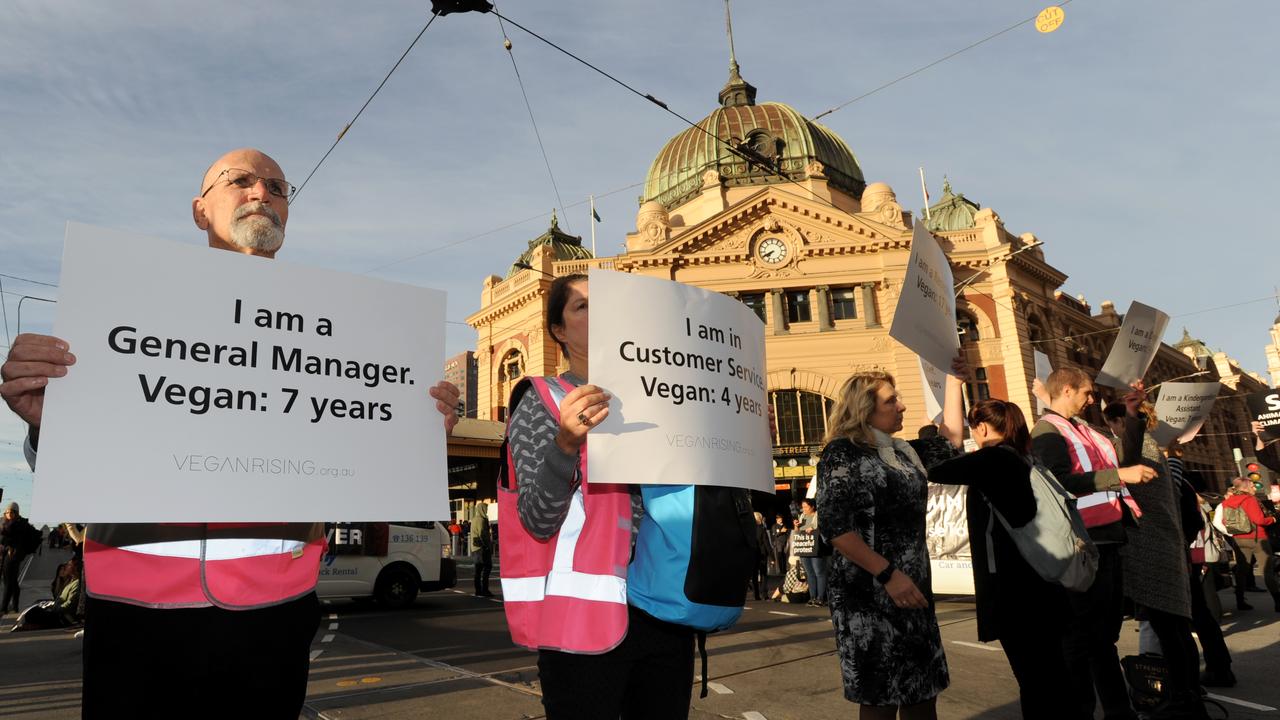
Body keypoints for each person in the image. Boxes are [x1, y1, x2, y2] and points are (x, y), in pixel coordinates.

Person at [0, 148, 462, 717]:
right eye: (240, 180)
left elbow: (355, 471)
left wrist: (414, 429)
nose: (261, 192)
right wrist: (49, 426)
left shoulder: (341, 336)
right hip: (134, 609)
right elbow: (90, 467)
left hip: (274, 614)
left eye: (277, 186)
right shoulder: (127, 308)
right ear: (199, 211)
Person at [815, 357, 965, 720]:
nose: (902, 406)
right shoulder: (842, 452)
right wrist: (887, 575)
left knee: (922, 691)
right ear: (865, 409)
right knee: (881, 698)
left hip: (913, 591)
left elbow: (953, 440)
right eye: (890, 400)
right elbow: (836, 528)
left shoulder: (903, 450)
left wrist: (954, 382)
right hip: (869, 595)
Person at [927, 398, 1083, 720]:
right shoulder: (1027, 459)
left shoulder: (992, 460)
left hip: (1016, 596)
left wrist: (942, 434)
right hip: (1048, 585)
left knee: (1037, 685)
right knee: (1055, 678)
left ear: (982, 427)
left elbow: (934, 467)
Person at [1030, 367, 1153, 720]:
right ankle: (1088, 710)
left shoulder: (1086, 430)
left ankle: (1118, 711)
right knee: (1084, 640)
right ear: (1067, 390)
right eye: (1086, 393)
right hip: (1083, 545)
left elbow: (1124, 459)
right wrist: (1118, 477)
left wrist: (1132, 414)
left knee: (1102, 638)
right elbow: (1057, 481)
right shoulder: (1047, 431)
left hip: (1107, 539)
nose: (1091, 399)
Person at [1102, 403, 1206, 719]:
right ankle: (1189, 696)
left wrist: (1130, 418)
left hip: (1152, 551)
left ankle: (1183, 699)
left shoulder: (1138, 446)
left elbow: (1123, 459)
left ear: (1119, 423)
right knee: (1176, 629)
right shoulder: (1154, 447)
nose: (1111, 433)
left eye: (1112, 425)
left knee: (1169, 631)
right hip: (1166, 549)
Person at [1222, 474, 1278, 612]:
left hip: (1239, 539)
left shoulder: (1227, 502)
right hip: (1257, 538)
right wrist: (1272, 519)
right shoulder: (1250, 500)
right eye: (1252, 485)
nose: (1254, 487)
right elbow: (1259, 520)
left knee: (1242, 571)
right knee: (1267, 571)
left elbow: (1225, 521)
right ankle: (1278, 602)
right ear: (1246, 487)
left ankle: (1240, 601)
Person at [14, 555, 84, 631]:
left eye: (69, 565)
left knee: (33, 613)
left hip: (64, 617)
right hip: (57, 610)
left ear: (75, 568)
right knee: (36, 607)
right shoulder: (70, 580)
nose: (66, 567)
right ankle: (34, 624)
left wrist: (54, 609)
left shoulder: (76, 584)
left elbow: (69, 604)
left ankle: (33, 625)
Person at [1, 502, 36, 615]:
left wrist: (8, 545)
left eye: (12, 512)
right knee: (13, 581)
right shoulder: (17, 523)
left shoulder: (15, 524)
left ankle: (3, 607)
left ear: (16, 513)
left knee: (8, 582)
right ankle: (15, 605)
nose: (9, 514)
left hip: (13, 555)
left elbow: (11, 538)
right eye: (7, 512)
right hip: (13, 555)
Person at [797, 499, 827, 606]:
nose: (804, 509)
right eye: (803, 507)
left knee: (818, 572)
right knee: (809, 573)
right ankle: (812, 597)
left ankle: (820, 598)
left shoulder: (818, 515)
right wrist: (796, 526)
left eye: (806, 507)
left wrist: (813, 528)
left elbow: (822, 527)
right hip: (804, 547)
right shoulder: (802, 516)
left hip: (816, 546)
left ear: (812, 507)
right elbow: (798, 531)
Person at [471, 501, 494, 597]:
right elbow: (482, 534)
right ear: (482, 509)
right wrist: (487, 545)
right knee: (487, 567)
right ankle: (485, 590)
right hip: (482, 548)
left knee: (478, 570)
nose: (487, 510)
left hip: (475, 548)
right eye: (486, 508)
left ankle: (478, 590)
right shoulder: (481, 520)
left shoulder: (474, 519)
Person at [751, 512, 770, 600]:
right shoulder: (761, 529)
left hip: (753, 554)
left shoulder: (749, 530)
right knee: (763, 574)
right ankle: (764, 594)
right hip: (762, 554)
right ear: (759, 519)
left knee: (754, 575)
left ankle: (756, 594)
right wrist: (772, 556)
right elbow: (766, 543)